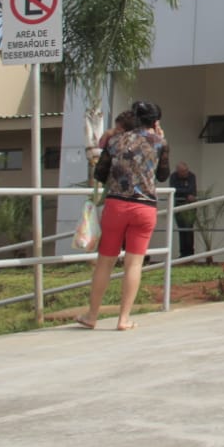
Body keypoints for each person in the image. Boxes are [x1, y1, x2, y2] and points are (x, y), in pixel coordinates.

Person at [76, 101, 169, 331]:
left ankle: (91, 316)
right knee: (134, 263)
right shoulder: (160, 143)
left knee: (105, 262)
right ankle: (124, 319)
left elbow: (100, 174)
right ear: (155, 122)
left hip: (116, 206)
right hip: (145, 207)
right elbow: (164, 175)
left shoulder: (116, 141)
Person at [169, 162, 199, 259]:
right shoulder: (173, 177)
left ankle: (190, 253)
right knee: (181, 228)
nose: (185, 173)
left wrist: (184, 191)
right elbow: (174, 190)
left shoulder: (191, 176)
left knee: (189, 228)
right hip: (178, 205)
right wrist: (186, 194)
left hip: (190, 206)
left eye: (186, 170)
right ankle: (183, 253)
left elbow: (192, 189)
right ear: (178, 172)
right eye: (183, 171)